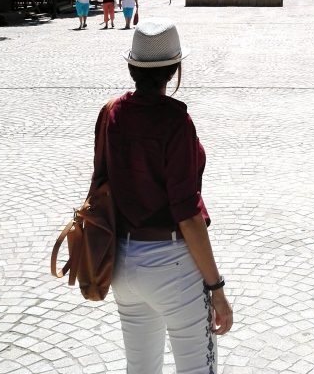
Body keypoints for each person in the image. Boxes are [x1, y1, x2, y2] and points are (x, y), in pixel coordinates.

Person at [92, 19, 233, 373]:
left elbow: (101, 182)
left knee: (140, 368)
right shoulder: (175, 121)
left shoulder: (111, 113)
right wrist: (216, 287)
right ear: (173, 70)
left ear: (132, 67)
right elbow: (186, 212)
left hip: (123, 260)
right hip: (171, 263)